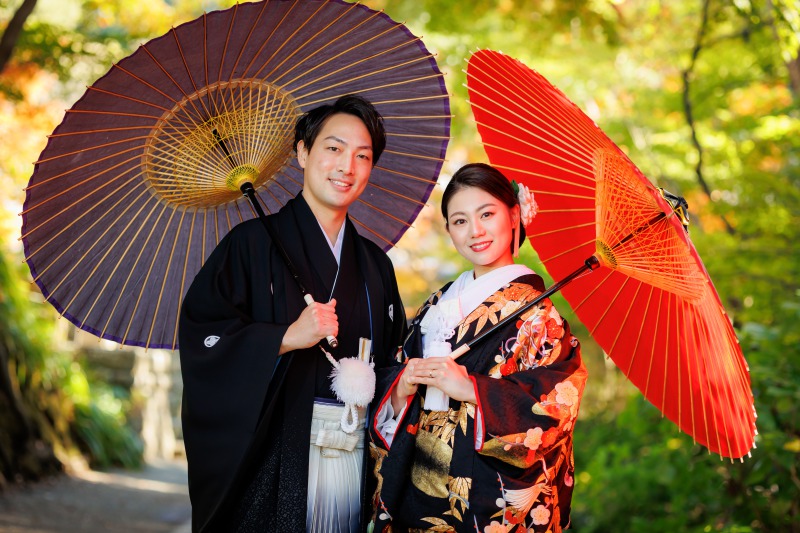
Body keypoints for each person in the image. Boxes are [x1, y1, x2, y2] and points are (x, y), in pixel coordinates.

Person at [178, 95, 407, 532]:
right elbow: (203, 339)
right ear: (303, 152)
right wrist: (283, 337)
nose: (347, 167)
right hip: (274, 461)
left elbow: (392, 358)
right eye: (334, 149)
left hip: (355, 463)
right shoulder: (249, 245)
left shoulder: (376, 265)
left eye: (363, 156)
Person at [367, 163, 587, 532]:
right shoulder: (435, 305)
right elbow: (395, 370)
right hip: (416, 496)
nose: (476, 231)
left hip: (482, 503)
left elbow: (556, 407)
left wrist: (471, 389)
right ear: (449, 229)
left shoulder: (540, 317)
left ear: (514, 214)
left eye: (487, 214)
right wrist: (400, 388)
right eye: (460, 221)